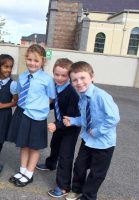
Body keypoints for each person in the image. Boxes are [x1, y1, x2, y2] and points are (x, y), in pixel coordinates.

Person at [63, 61, 120, 200]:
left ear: (92, 77)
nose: (79, 82)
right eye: (75, 80)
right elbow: (84, 119)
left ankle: (88, 196)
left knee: (97, 173)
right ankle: (76, 190)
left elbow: (113, 118)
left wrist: (97, 131)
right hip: (88, 140)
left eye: (83, 78)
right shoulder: (82, 98)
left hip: (103, 142)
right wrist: (73, 121)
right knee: (79, 166)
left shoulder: (101, 96)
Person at [7, 44, 56, 187]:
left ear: (42, 62)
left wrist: (40, 107)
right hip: (22, 113)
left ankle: (29, 173)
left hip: (36, 117)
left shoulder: (47, 80)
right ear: (25, 59)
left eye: (36, 61)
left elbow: (51, 97)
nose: (32, 63)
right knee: (23, 144)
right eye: (29, 59)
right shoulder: (22, 76)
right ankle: (22, 170)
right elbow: (20, 92)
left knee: (34, 146)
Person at [35, 58, 81, 198]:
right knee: (54, 145)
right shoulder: (55, 87)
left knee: (65, 155)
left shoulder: (72, 93)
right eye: (56, 74)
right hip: (59, 124)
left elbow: (72, 116)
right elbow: (54, 104)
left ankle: (63, 187)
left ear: (70, 76)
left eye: (64, 75)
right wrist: (40, 106)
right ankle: (50, 164)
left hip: (70, 127)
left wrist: (57, 124)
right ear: (53, 72)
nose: (59, 78)